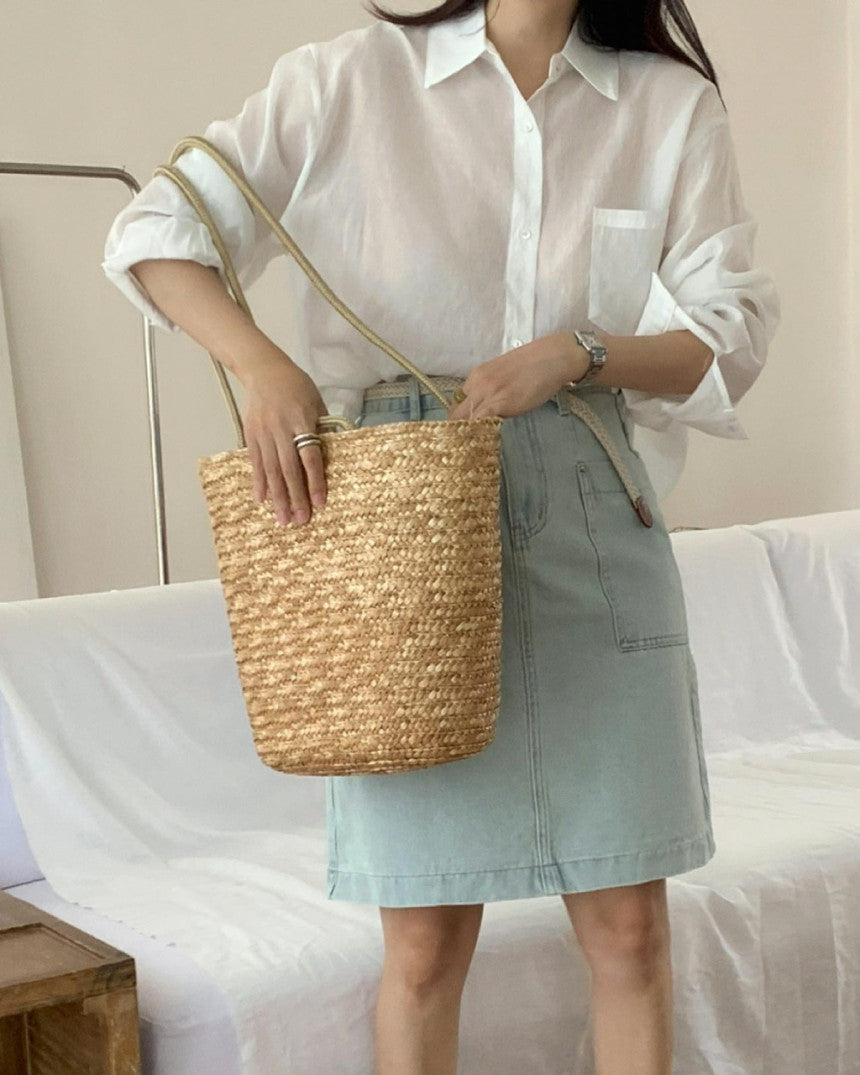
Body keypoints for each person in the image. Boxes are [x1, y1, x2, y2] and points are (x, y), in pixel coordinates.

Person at [102, 0, 780, 1071]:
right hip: (397, 521)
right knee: (423, 944)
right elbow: (154, 232)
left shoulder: (669, 107)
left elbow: (726, 335)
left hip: (591, 507)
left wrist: (578, 349)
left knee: (630, 931)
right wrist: (262, 367)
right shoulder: (348, 80)